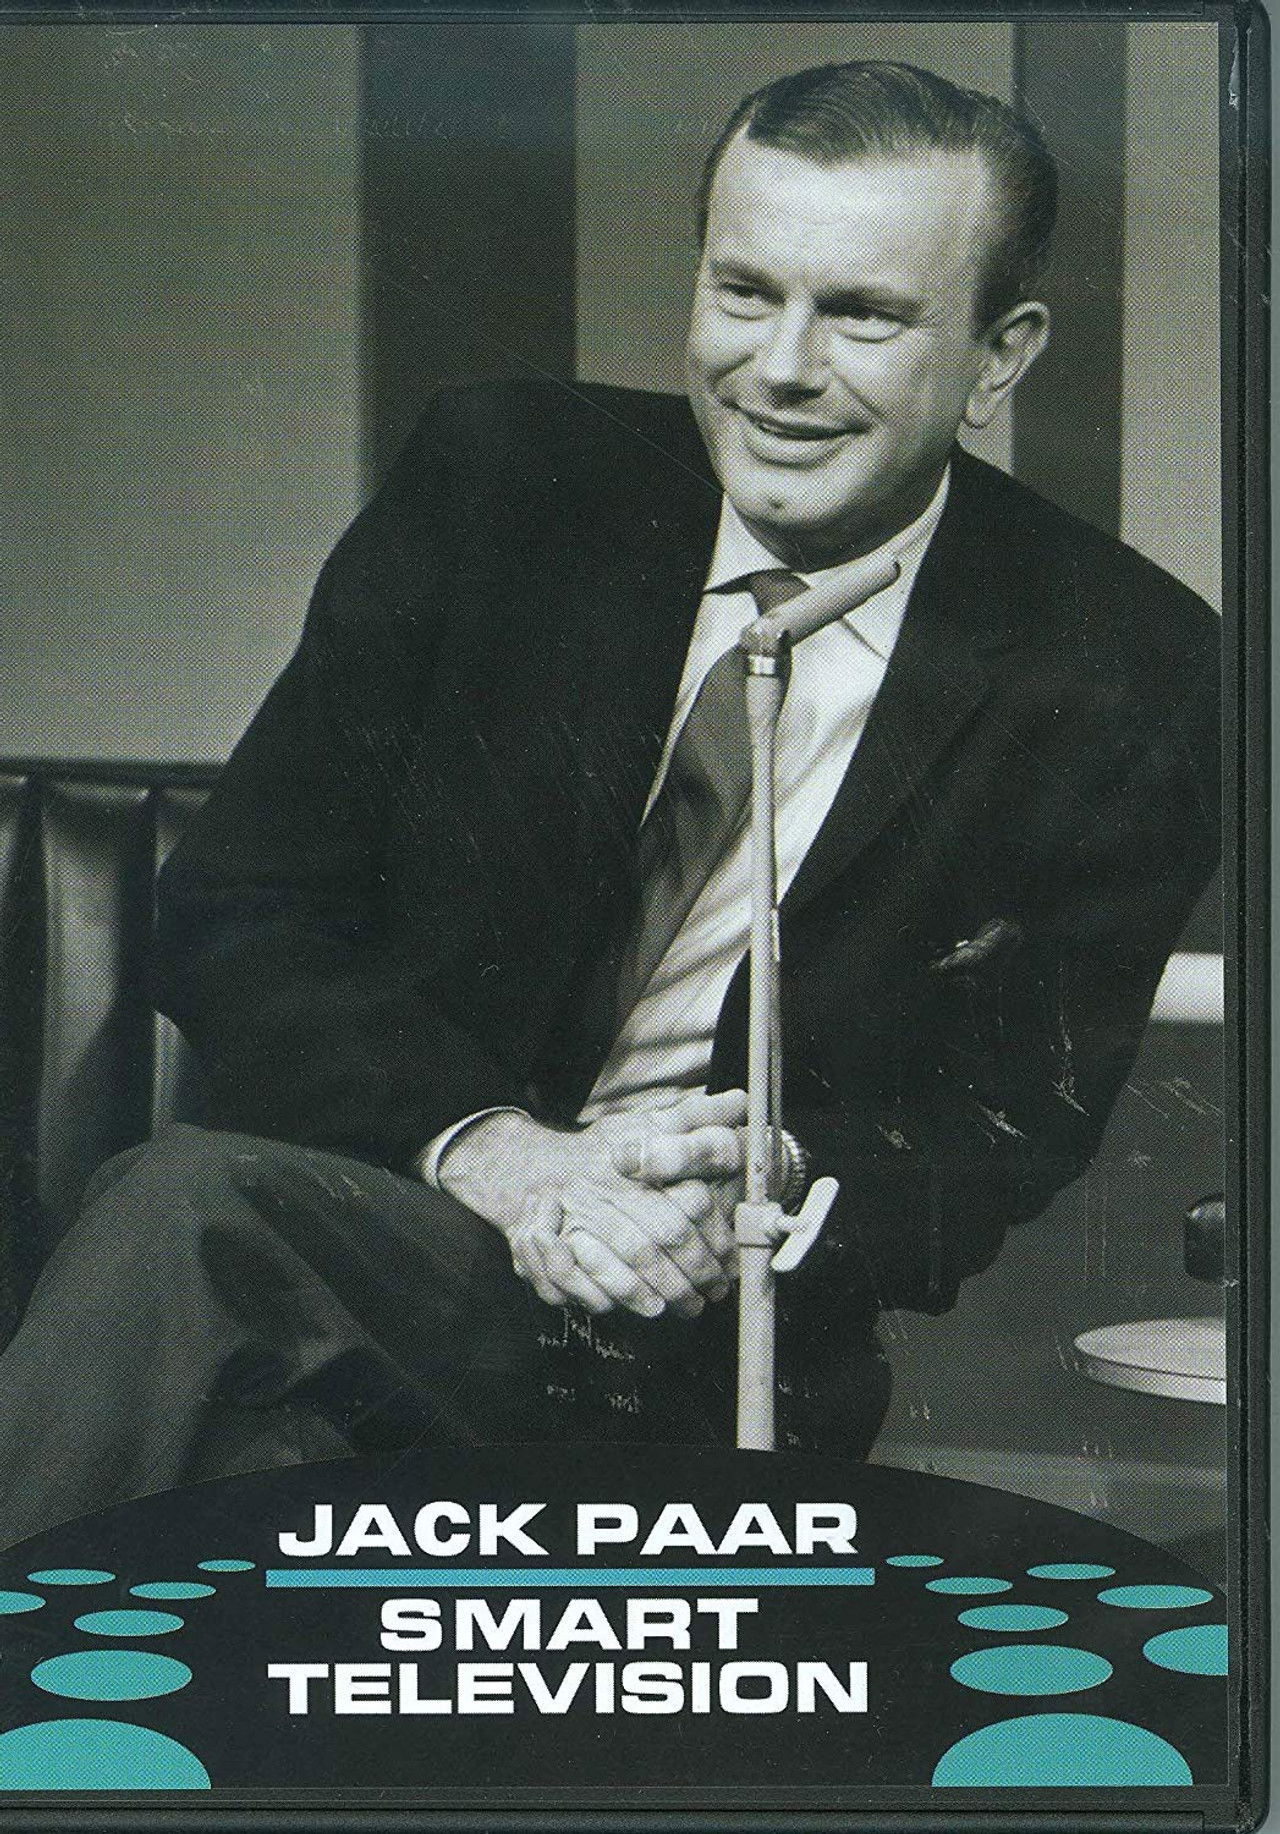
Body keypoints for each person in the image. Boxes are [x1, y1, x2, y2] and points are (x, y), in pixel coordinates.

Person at [0, 60, 1219, 1549]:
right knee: (206, 1269)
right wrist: (509, 1160)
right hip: (374, 1248)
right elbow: (237, 908)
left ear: (999, 355)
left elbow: (1008, 1129)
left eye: (863, 316)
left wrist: (765, 1183)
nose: (779, 367)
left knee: (213, 1398)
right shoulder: (505, 483)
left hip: (704, 1351)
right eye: (744, 291)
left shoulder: (1128, 667)